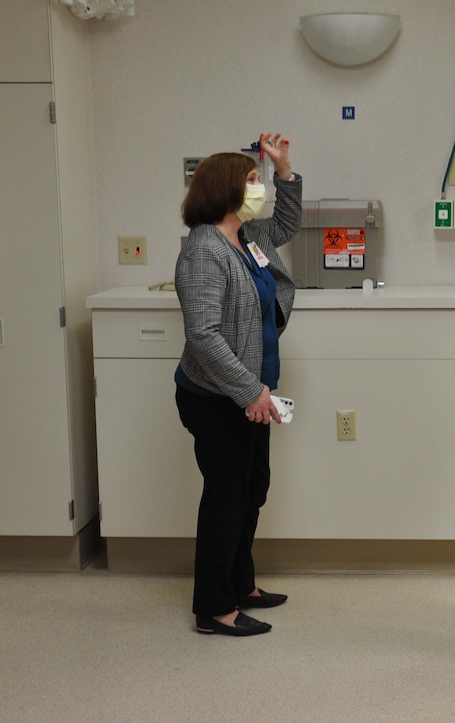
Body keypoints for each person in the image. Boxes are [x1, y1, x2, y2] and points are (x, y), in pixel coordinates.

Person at [174, 133, 301, 637]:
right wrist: (249, 391)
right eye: (251, 181)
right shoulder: (205, 252)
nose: (259, 188)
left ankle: (241, 583)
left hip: (253, 393)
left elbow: (289, 222)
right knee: (226, 500)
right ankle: (214, 607)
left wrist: (284, 167)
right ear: (226, 189)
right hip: (218, 398)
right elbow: (202, 336)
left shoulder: (247, 237)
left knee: (252, 490)